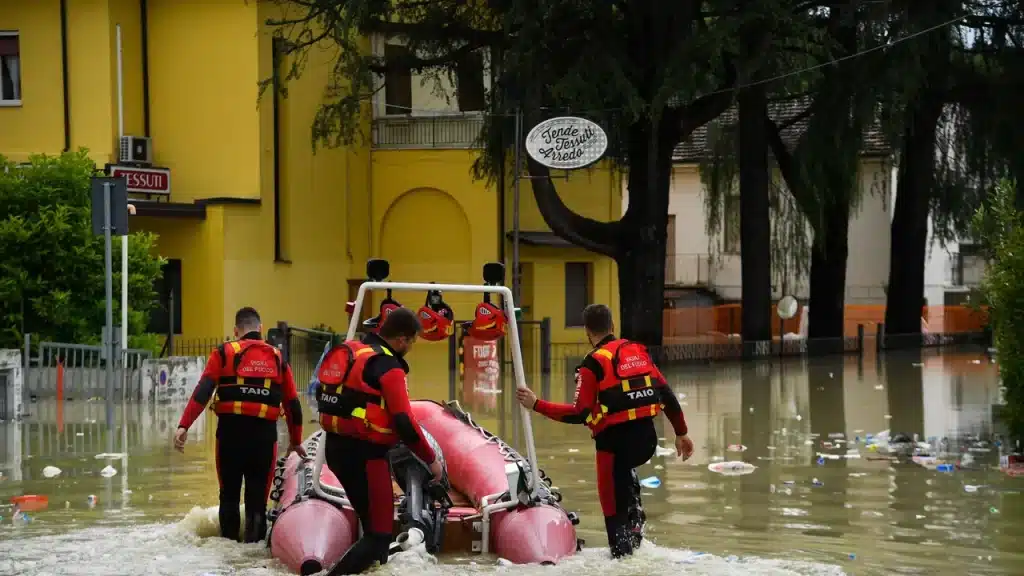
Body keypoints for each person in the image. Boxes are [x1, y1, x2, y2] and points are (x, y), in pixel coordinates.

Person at [516, 304, 693, 558]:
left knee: (612, 511)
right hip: (647, 442)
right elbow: (666, 394)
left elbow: (580, 412)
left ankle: (622, 550)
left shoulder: (592, 364)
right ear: (612, 326)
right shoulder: (637, 351)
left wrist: (537, 404)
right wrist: (681, 433)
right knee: (626, 481)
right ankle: (636, 524)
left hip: (614, 446)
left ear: (587, 332)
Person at [315, 306, 443, 575]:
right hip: (368, 456)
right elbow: (405, 423)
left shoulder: (355, 350)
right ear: (402, 339)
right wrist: (431, 461)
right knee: (380, 536)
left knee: (372, 527)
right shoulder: (389, 366)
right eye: (412, 342)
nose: (410, 347)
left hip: (337, 450)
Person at [173, 307, 305, 543]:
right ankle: (253, 557)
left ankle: (228, 553)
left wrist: (184, 425)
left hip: (229, 436)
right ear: (261, 329)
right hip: (264, 438)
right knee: (258, 500)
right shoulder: (277, 358)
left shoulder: (223, 353)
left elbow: (203, 391)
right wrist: (296, 441)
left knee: (229, 496)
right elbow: (293, 405)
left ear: (236, 331)